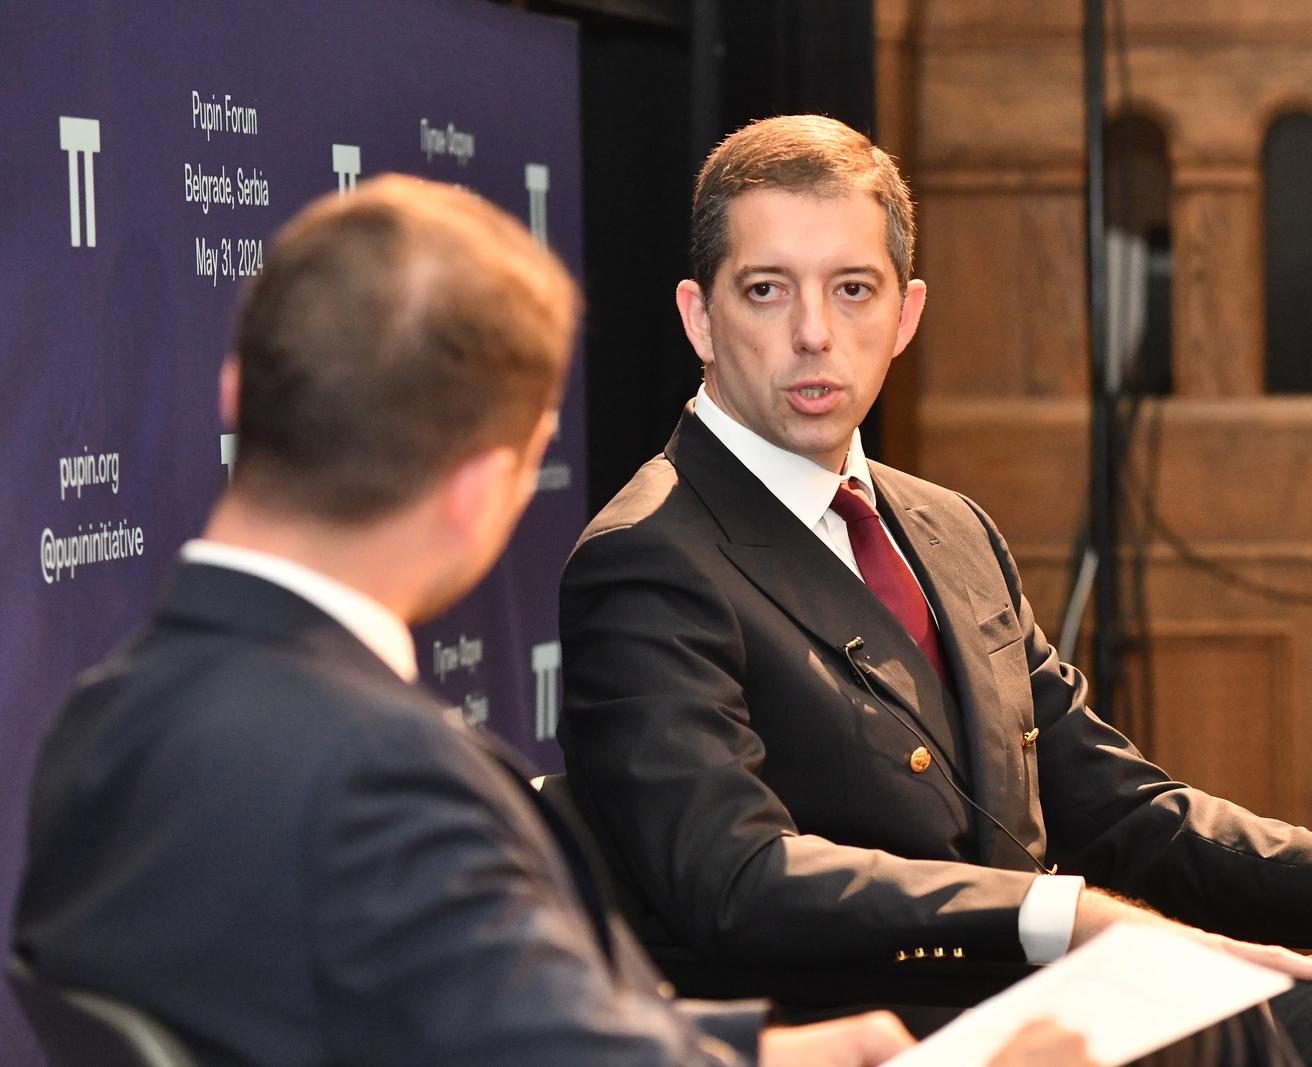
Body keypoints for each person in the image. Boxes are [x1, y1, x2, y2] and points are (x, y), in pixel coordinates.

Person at [557, 115, 1312, 1066]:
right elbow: (731, 877)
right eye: (766, 288)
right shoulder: (650, 556)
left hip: (1072, 980)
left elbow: (1113, 802)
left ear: (906, 312)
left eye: (852, 288)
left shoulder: (946, 525)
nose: (814, 333)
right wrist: (1062, 915)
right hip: (903, 1021)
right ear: (699, 316)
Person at [12, 176, 1087, 1067]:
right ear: (488, 491)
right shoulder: (380, 777)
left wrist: (758, 1048)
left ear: (238, 394)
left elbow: (476, 1024)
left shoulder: (103, 719)